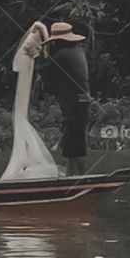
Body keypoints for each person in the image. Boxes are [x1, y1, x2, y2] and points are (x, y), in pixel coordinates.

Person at [38, 20, 91, 176]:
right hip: (82, 100)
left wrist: (41, 54)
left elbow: (44, 71)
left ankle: (77, 176)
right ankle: (73, 175)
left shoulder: (63, 55)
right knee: (74, 141)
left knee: (72, 142)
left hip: (74, 101)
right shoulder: (78, 50)